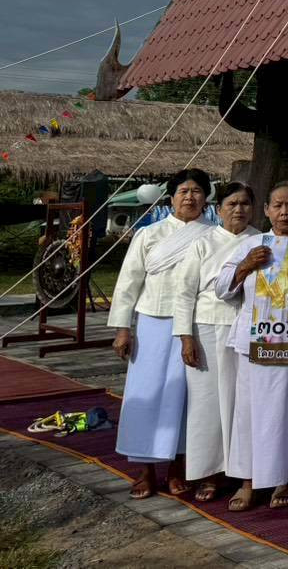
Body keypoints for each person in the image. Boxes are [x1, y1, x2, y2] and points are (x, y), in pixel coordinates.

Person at [110, 168, 214, 498]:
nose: (190, 197)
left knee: (187, 397)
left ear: (206, 198)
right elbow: (128, 283)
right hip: (153, 322)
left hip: (196, 324)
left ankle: (179, 468)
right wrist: (123, 329)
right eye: (183, 191)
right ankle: (145, 470)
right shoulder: (149, 234)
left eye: (197, 191)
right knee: (148, 395)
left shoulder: (214, 235)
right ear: (171, 197)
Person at [219, 181, 288, 511]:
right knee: (250, 411)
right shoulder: (252, 244)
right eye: (277, 205)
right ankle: (248, 480)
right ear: (266, 210)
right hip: (255, 344)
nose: (284, 212)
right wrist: (246, 264)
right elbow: (221, 288)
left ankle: (286, 478)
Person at [172, 182, 259, 502]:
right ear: (218, 208)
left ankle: (240, 472)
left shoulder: (261, 241)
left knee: (240, 404)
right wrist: (186, 337)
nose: (239, 209)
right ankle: (208, 472)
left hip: (247, 329)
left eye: (245, 204)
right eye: (232, 203)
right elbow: (183, 293)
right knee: (206, 406)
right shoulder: (203, 242)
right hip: (206, 328)